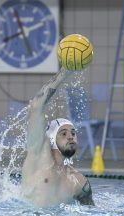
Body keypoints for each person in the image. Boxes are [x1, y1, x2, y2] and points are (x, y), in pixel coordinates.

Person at [21, 68, 94, 208]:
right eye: (63, 133)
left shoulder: (79, 181)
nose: (71, 136)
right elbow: (36, 105)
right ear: (52, 139)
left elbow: (93, 213)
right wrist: (65, 72)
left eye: (73, 133)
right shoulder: (37, 157)